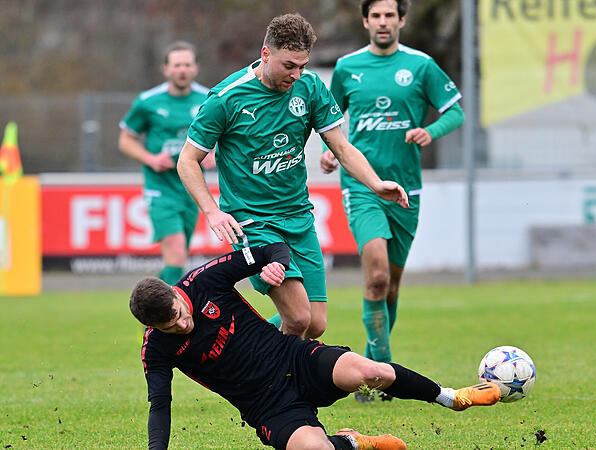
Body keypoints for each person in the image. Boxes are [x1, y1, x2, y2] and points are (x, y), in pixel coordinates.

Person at [130, 244, 501, 449]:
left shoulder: (204, 280)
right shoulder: (157, 348)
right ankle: (356, 444)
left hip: (293, 358)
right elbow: (160, 405)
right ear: (153, 327)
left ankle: (452, 397)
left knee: (372, 371)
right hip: (265, 406)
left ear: (176, 293)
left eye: (180, 314)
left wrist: (275, 266)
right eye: (170, 326)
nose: (182, 325)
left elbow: (272, 248)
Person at [177, 13, 409, 340]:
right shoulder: (226, 97)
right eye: (289, 66)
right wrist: (213, 211)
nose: (297, 74)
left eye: (303, 65)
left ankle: (241, 351)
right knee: (298, 317)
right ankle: (277, 388)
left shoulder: (309, 87)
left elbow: (341, 146)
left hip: (299, 218)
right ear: (265, 53)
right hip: (253, 222)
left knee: (315, 324)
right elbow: (187, 160)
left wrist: (375, 183)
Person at [320, 0, 464, 396]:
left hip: (407, 190)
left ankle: (372, 364)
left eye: (390, 15)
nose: (383, 22)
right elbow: (328, 121)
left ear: (402, 20)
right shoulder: (348, 68)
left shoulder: (421, 65)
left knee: (393, 287)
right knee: (377, 276)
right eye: (376, 16)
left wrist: (429, 132)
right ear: (366, 21)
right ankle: (379, 379)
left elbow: (456, 112)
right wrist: (332, 153)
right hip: (362, 187)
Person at [119, 41, 214, 285]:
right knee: (176, 253)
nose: (182, 69)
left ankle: (151, 308)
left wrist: (215, 153)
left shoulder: (209, 99)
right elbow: (126, 140)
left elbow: (225, 135)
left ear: (196, 68)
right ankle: (163, 315)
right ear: (166, 69)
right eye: (176, 65)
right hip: (160, 187)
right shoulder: (148, 101)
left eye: (187, 64)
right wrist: (151, 159)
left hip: (192, 187)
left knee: (179, 258)